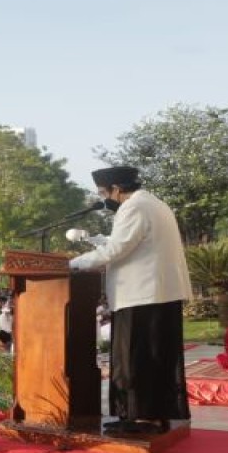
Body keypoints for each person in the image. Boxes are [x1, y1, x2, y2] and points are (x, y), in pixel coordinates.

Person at [69, 165, 191, 435]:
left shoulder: (133, 207)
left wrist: (73, 264)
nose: (104, 199)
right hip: (158, 293)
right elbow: (133, 242)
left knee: (136, 358)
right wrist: (96, 242)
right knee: (154, 357)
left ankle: (141, 419)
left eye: (104, 193)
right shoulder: (154, 203)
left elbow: (118, 248)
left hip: (140, 296)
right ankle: (154, 415)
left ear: (116, 189)